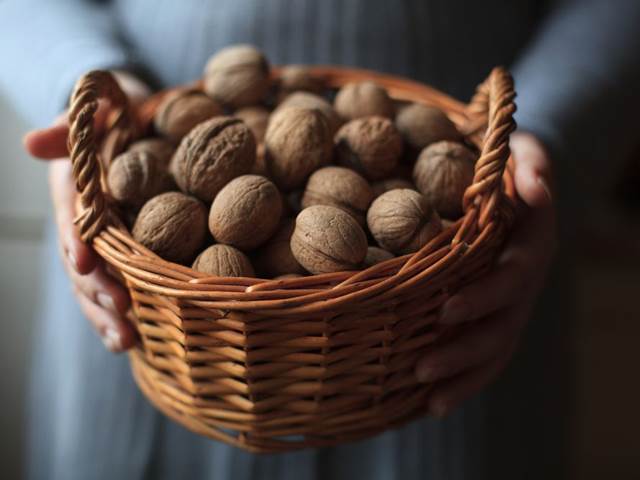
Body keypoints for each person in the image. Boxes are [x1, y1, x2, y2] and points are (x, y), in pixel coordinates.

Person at [1, 1, 639, 479]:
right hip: (163, 311)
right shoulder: (191, 190)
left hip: (449, 279)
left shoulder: (389, 179)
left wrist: (548, 127)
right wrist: (87, 84)